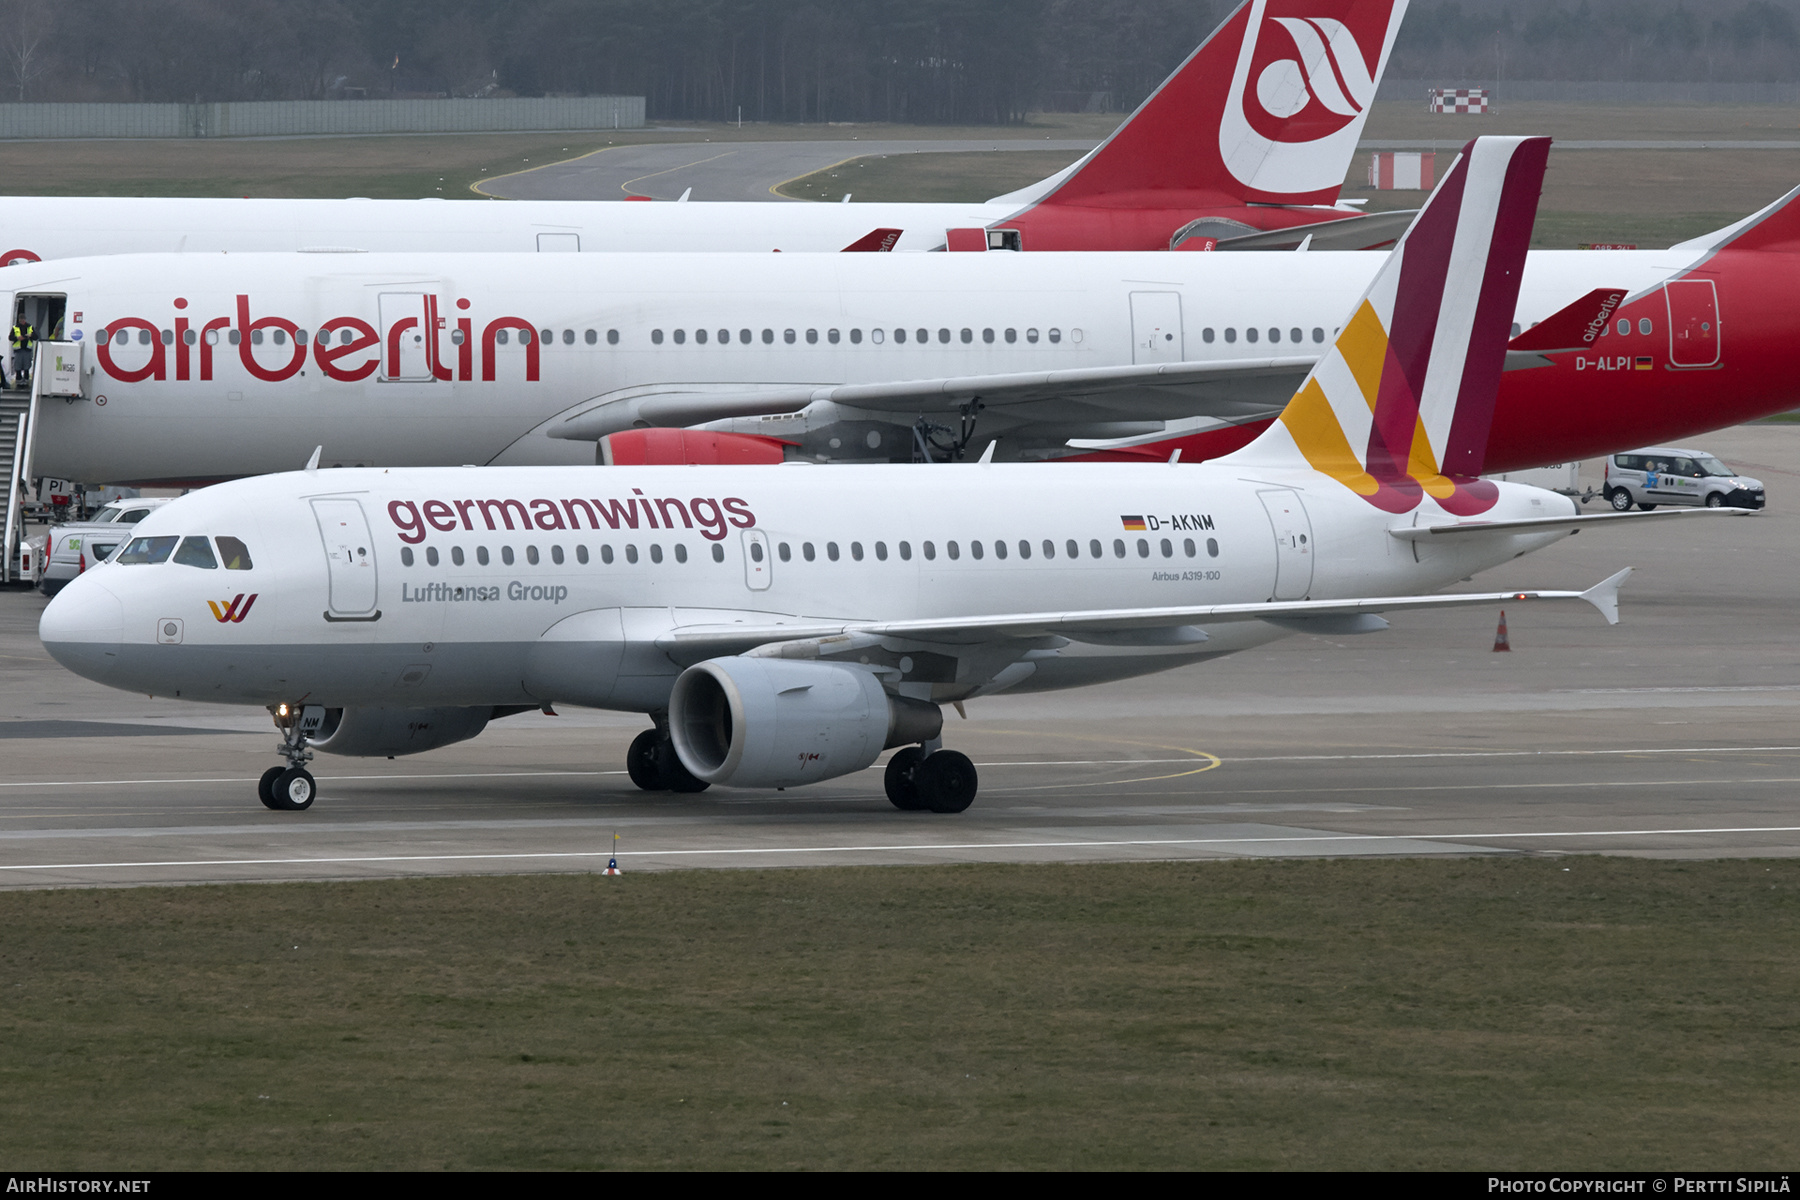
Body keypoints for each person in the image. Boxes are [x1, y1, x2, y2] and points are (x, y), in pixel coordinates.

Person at [10, 317, 35, 387]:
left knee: (27, 365)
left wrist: (31, 335)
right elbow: (10, 337)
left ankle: (26, 380)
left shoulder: (30, 327)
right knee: (18, 366)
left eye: (23, 320)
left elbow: (36, 336)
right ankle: (18, 380)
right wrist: (17, 338)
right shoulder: (15, 327)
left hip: (27, 349)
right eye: (21, 320)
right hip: (18, 350)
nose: (22, 321)